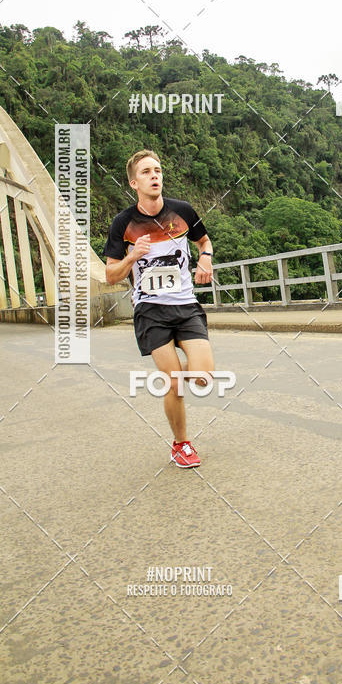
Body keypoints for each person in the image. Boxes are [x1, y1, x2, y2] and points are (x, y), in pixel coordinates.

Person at [103, 150, 215, 468]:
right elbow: (111, 275)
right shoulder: (123, 223)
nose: (155, 175)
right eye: (147, 172)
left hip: (186, 305)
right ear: (134, 183)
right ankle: (181, 445)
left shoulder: (183, 211)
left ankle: (177, 366)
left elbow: (204, 242)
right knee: (175, 383)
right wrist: (131, 256)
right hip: (151, 310)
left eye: (158, 170)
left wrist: (205, 258)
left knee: (204, 378)